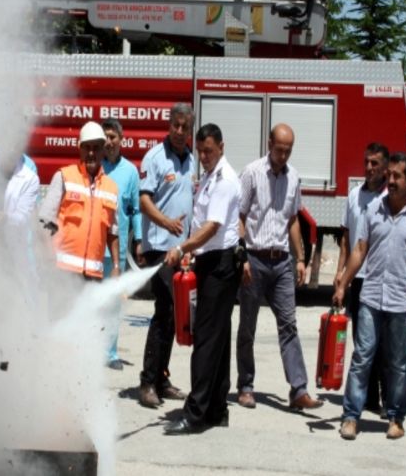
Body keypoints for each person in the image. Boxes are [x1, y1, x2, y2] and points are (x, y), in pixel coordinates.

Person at [333, 153, 406, 441]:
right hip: (371, 297)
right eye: (389, 175)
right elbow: (359, 249)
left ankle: (396, 418)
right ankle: (351, 416)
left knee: (397, 362)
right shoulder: (373, 209)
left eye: (397, 176)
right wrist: (343, 283)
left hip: (402, 301)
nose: (390, 180)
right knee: (362, 357)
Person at [235, 123, 323, 411]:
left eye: (288, 151)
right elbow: (240, 216)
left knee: (288, 325)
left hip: (282, 260)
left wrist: (300, 258)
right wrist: (242, 256)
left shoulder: (293, 177)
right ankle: (246, 386)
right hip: (255, 259)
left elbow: (293, 219)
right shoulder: (251, 173)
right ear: (269, 143)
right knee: (248, 325)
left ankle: (298, 390)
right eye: (279, 149)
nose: (283, 156)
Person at [162, 123, 242, 434]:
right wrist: (192, 253)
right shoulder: (211, 176)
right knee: (218, 342)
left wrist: (182, 246)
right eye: (201, 151)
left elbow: (212, 227)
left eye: (209, 150)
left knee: (207, 342)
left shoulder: (225, 180)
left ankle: (195, 415)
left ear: (222, 147)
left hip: (220, 266)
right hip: (211, 261)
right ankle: (217, 410)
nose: (204, 156)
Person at [137, 103, 196, 408]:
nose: (179, 131)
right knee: (165, 311)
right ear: (169, 124)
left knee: (173, 316)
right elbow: (144, 200)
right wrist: (166, 223)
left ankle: (160, 377)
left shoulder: (191, 159)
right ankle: (147, 383)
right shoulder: (155, 157)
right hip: (159, 247)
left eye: (185, 127)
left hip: (180, 250)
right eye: (175, 125)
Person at [334, 143, 389, 414]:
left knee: (380, 342)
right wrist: (340, 272)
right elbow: (347, 238)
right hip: (357, 278)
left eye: (375, 163)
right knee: (361, 339)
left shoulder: (390, 197)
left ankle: (378, 396)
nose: (369, 168)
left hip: (380, 278)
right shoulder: (354, 195)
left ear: (386, 167)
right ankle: (366, 396)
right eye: (367, 162)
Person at [38, 121, 120, 280]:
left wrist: (116, 266)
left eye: (96, 148)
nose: (91, 153)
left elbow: (113, 233)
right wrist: (46, 259)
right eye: (87, 147)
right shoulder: (63, 177)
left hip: (93, 276)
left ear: (103, 150)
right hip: (61, 272)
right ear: (79, 149)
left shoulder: (111, 188)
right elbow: (45, 222)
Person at [101, 118, 143, 370]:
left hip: (117, 251)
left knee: (114, 303)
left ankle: (111, 353)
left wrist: (138, 240)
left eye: (112, 137)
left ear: (121, 139)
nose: (108, 142)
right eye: (105, 136)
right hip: (94, 249)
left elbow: (135, 209)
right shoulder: (94, 167)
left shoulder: (130, 172)